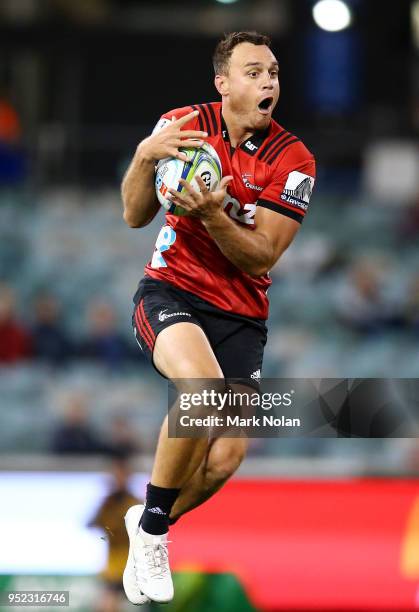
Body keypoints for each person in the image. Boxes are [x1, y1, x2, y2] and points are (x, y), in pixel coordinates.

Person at [121, 31, 316, 605]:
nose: (269, 82)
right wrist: (143, 156)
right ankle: (155, 533)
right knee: (202, 392)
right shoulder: (181, 126)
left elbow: (261, 254)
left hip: (241, 315)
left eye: (274, 72)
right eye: (254, 71)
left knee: (226, 455)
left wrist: (211, 215)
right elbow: (135, 216)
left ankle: (146, 521)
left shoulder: (294, 160)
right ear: (222, 82)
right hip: (170, 291)